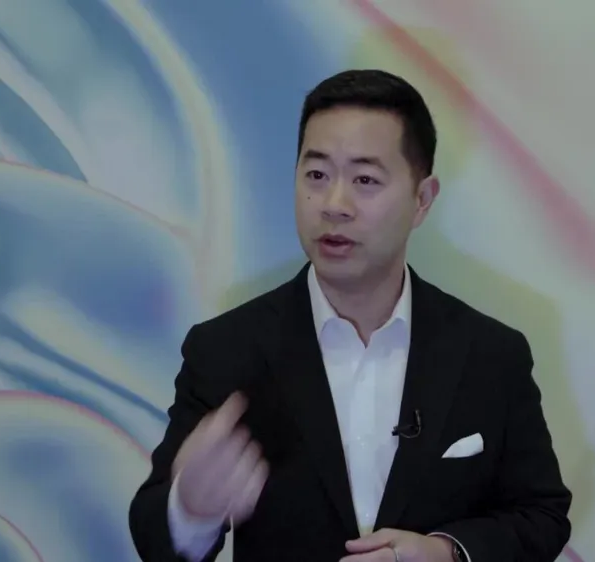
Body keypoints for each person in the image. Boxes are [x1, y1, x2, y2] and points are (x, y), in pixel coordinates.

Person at [129, 68, 572, 562]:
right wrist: (191, 509)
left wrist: (445, 552)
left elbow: (541, 515)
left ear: (422, 200)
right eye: (317, 175)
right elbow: (155, 538)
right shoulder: (228, 348)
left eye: (365, 180)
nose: (334, 205)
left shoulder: (491, 355)